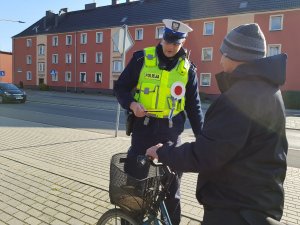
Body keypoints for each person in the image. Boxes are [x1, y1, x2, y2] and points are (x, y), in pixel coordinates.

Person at [146, 23, 288, 225]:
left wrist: (164, 153)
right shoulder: (269, 91)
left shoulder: (239, 98)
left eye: (223, 54)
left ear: (236, 57)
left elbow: (206, 154)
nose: (220, 60)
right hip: (258, 203)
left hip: (234, 209)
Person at [114, 19, 204, 225]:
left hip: (170, 134)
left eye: (176, 42)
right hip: (143, 130)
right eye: (168, 40)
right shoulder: (141, 59)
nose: (171, 46)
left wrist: (203, 138)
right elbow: (120, 88)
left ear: (182, 43)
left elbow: (194, 107)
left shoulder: (188, 69)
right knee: (135, 186)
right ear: (162, 38)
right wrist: (132, 104)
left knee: (172, 190)